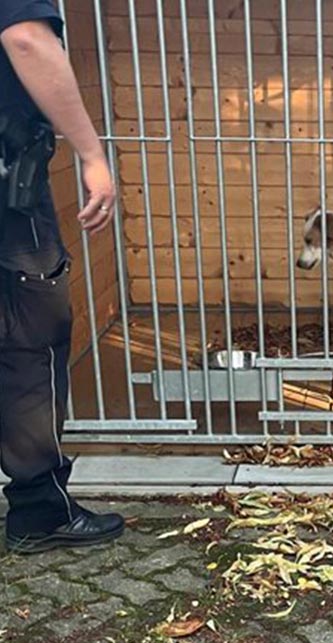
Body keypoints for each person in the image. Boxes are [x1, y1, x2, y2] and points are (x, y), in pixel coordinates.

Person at [1, 0, 124, 554]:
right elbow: (25, 35)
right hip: (8, 196)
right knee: (32, 341)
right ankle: (39, 509)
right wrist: (92, 153)